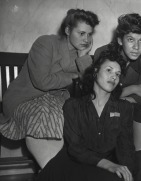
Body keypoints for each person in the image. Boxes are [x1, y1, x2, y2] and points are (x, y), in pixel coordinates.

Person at [20, 50, 141, 181]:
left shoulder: (124, 108)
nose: (114, 76)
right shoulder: (73, 106)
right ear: (95, 72)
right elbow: (75, 148)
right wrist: (109, 166)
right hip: (72, 165)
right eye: (109, 70)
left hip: (103, 165)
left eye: (118, 74)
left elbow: (125, 149)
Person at [0, 9, 99, 169]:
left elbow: (91, 88)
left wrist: (84, 57)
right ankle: (52, 172)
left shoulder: (80, 53)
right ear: (67, 30)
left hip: (56, 100)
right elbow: (42, 82)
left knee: (76, 118)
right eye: (81, 33)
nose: (86, 39)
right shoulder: (45, 43)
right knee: (44, 115)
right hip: (26, 97)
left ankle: (62, 174)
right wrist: (76, 76)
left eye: (89, 34)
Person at [94, 13, 141, 181]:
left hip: (130, 109)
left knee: (138, 111)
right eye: (131, 40)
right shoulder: (102, 53)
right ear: (120, 40)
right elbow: (100, 94)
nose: (136, 47)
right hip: (101, 108)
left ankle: (140, 175)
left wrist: (124, 95)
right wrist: (131, 89)